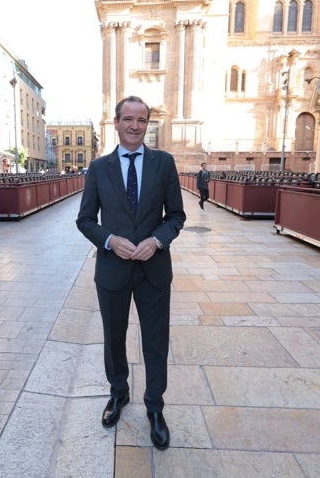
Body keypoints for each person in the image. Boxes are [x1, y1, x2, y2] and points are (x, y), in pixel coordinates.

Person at [76, 96, 186, 450]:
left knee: (155, 341)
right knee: (114, 338)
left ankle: (155, 407)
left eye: (141, 119)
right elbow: (85, 220)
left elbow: (176, 217)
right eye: (128, 119)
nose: (135, 125)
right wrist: (109, 240)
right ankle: (118, 394)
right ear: (116, 122)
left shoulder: (164, 163)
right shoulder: (98, 167)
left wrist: (157, 240)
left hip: (154, 268)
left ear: (147, 123)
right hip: (113, 270)